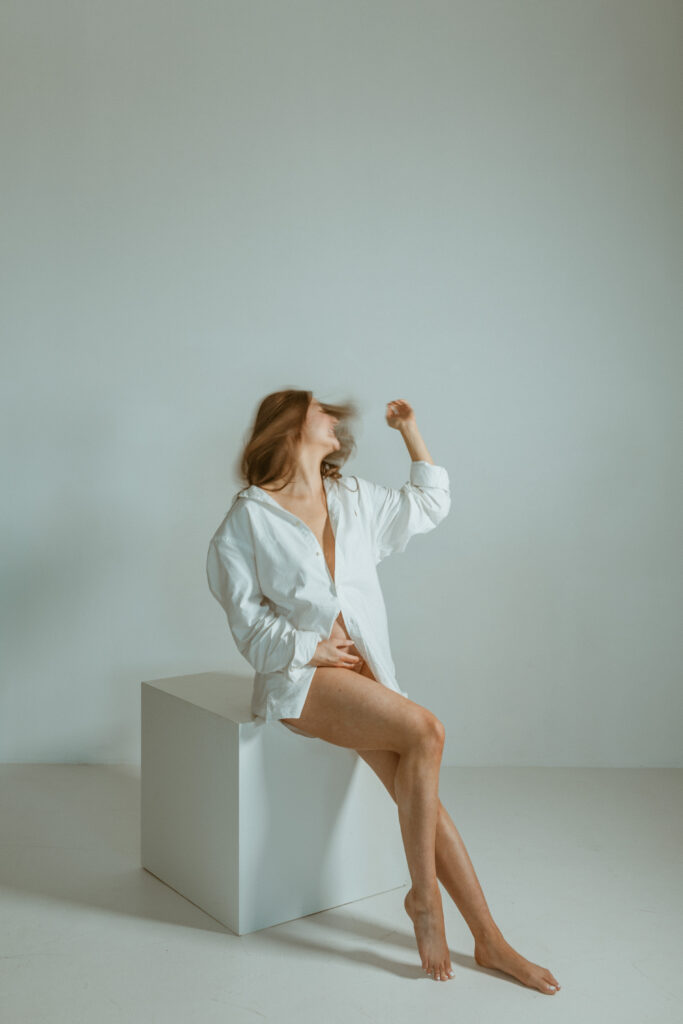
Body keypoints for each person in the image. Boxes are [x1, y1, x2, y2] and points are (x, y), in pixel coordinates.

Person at [206, 388, 560, 993]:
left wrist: (412, 434)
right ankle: (424, 902)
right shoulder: (248, 519)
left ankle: (490, 941)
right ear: (289, 428)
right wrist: (307, 648)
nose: (335, 420)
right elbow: (246, 622)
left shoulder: (351, 497)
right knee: (427, 729)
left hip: (367, 675)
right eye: (321, 410)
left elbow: (427, 503)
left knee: (419, 791)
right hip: (303, 682)